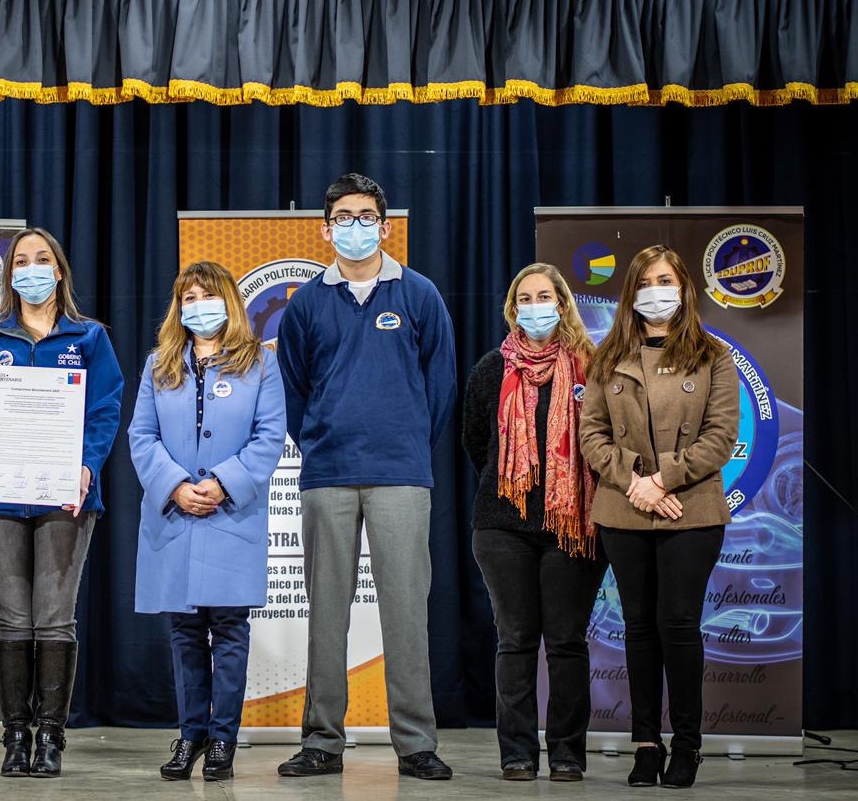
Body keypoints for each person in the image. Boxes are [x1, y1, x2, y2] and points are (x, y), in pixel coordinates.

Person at [275, 173, 457, 780]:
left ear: (384, 225)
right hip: (327, 473)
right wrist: (322, 440)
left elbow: (440, 386)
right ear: (326, 228)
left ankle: (415, 743)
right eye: (344, 217)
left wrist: (404, 442)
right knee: (326, 612)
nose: (356, 226)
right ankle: (322, 741)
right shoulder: (305, 303)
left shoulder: (420, 294)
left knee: (406, 611)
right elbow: (294, 392)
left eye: (367, 216)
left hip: (401, 475)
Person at [0, 227, 124, 779]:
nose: (31, 269)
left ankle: (51, 737)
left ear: (59, 270)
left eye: (41, 259)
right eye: (20, 261)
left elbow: (105, 410)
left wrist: (86, 467)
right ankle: (15, 739)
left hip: (65, 493)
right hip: (2, 493)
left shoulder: (89, 337)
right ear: (9, 275)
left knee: (53, 619)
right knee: (12, 620)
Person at [579, 245, 738, 789]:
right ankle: (646, 744)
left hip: (692, 510)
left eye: (665, 279)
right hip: (624, 510)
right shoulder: (606, 357)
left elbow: (720, 439)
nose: (655, 290)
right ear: (631, 292)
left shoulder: (715, 355)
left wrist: (661, 480)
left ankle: (688, 747)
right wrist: (635, 484)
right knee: (639, 629)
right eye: (645, 281)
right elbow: (591, 435)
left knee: (678, 624)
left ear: (684, 286)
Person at [129, 262, 286, 782]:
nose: (198, 304)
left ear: (229, 302)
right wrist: (175, 485)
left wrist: (223, 482)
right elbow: (141, 437)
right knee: (184, 634)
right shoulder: (159, 365)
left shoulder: (260, 365)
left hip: (230, 516)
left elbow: (268, 437)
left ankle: (223, 739)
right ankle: (190, 734)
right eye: (188, 296)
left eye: (207, 294)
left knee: (230, 631)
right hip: (175, 517)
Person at [462, 263, 607, 782]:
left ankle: (568, 753)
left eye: (545, 295)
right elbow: (477, 443)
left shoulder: (595, 368)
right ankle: (517, 753)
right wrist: (519, 487)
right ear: (512, 308)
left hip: (574, 524)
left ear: (563, 304)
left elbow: (608, 441)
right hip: (502, 526)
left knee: (566, 640)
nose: (535, 305)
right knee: (516, 639)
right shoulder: (489, 370)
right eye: (525, 297)